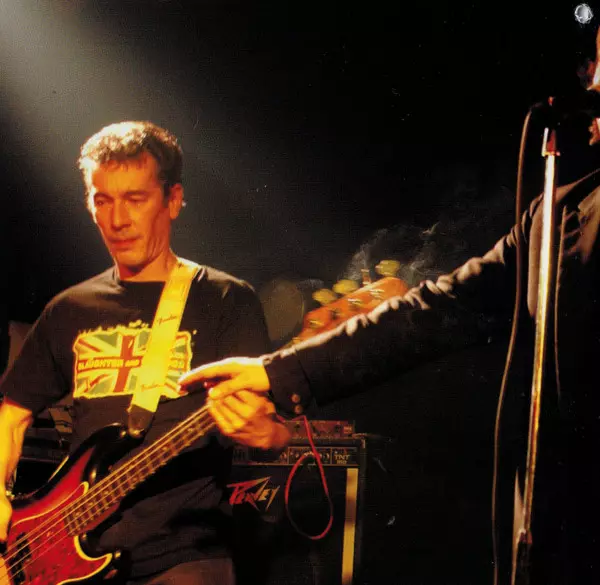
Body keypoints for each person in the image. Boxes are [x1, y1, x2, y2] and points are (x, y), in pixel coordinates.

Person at [178, 36, 600, 585]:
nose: (589, 79)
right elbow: (440, 305)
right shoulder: (560, 213)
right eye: (591, 63)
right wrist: (277, 371)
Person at [0, 121, 289, 585]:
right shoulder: (69, 308)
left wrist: (268, 434)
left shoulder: (226, 300)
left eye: (135, 199)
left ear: (172, 200)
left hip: (184, 555)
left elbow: (273, 428)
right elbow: (12, 415)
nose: (117, 220)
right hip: (60, 556)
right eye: (103, 200)